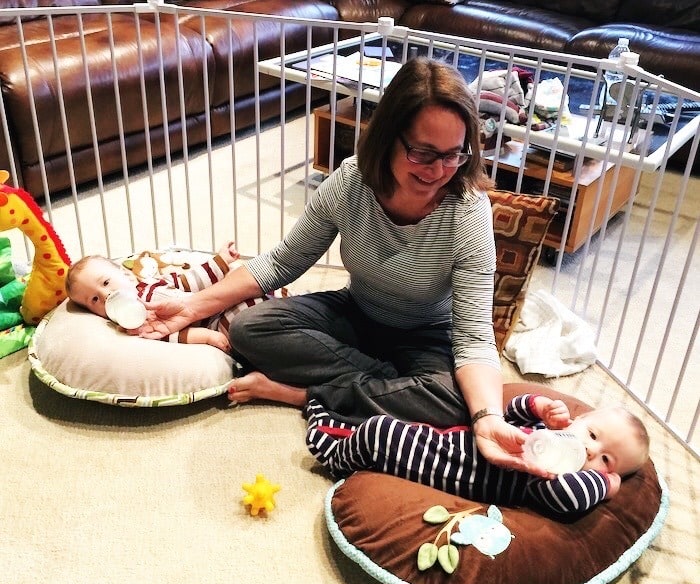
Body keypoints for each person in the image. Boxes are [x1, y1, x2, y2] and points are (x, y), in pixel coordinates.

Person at [136, 56, 541, 475]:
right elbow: (281, 262)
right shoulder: (350, 183)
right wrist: (193, 306)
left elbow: (475, 337)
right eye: (422, 153)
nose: (438, 170)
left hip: (426, 336)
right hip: (358, 314)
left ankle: (302, 394)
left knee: (455, 401)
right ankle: (386, 392)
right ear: (388, 138)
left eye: (454, 154)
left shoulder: (467, 213)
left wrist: (489, 418)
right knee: (250, 328)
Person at [305, 394, 650, 516]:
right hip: (447, 440)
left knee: (379, 432)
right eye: (592, 435)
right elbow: (505, 416)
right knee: (388, 424)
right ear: (577, 421)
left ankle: (335, 458)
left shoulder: (553, 480)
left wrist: (605, 485)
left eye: (605, 460)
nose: (591, 450)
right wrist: (537, 407)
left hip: (438, 466)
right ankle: (332, 424)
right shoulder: (550, 435)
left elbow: (566, 497)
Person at [65, 242, 241, 352]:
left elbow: (190, 281)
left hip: (219, 301)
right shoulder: (132, 323)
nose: (105, 295)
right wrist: (206, 336)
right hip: (219, 325)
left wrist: (221, 261)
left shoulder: (152, 282)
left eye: (105, 283)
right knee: (240, 327)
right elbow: (170, 337)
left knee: (239, 281)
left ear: (126, 275)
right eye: (94, 300)